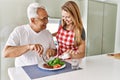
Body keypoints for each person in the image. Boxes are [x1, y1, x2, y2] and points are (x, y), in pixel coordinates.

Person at [3, 3, 57, 67]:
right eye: (43, 19)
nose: (47, 21)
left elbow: (54, 51)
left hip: (44, 70)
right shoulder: (19, 31)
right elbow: (6, 53)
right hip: (24, 73)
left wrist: (52, 51)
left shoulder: (47, 33)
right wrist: (28, 47)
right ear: (33, 20)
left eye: (47, 18)